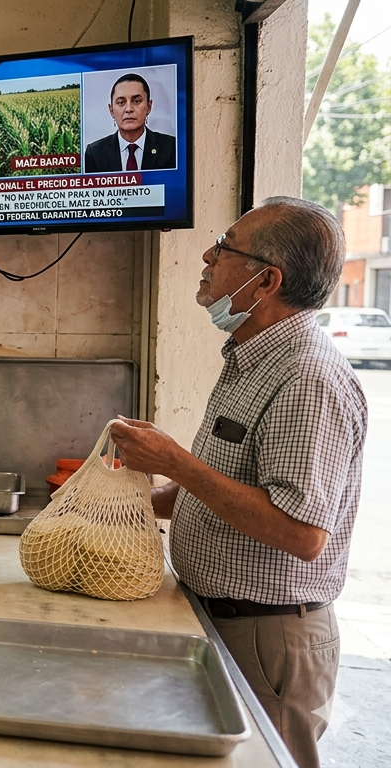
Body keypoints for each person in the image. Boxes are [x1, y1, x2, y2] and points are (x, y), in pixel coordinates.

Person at [110, 197, 366, 768]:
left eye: (224, 247)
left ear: (266, 281)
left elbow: (301, 532)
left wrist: (175, 461)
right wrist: (134, 501)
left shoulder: (305, 377)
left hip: (267, 638)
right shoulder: (252, 359)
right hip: (217, 618)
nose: (207, 256)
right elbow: (224, 489)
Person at [83, 73, 177, 172]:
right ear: (111, 110)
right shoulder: (95, 153)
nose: (128, 109)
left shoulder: (171, 147)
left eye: (136, 101)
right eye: (121, 102)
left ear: (149, 107)